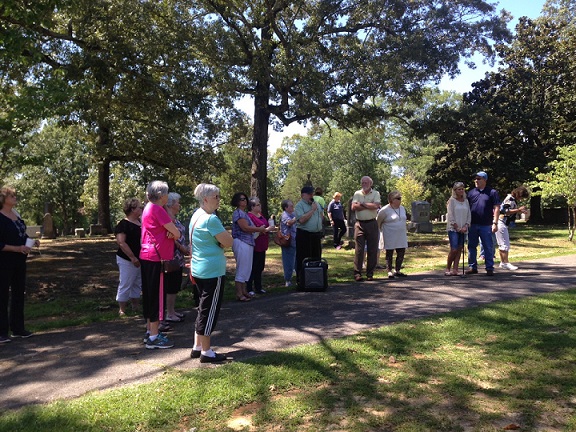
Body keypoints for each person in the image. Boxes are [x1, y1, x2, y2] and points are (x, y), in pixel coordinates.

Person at [188, 183, 234, 363]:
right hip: (212, 271)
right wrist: (221, 241)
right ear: (205, 199)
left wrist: (220, 241)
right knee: (209, 311)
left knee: (202, 307)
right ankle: (206, 352)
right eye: (216, 197)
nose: (219, 200)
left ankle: (197, 346)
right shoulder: (211, 219)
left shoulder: (196, 215)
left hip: (198, 268)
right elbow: (228, 241)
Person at [139, 181, 181, 349]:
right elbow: (176, 232)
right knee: (156, 296)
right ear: (162, 196)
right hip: (156, 256)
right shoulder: (158, 209)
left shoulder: (148, 208)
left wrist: (169, 233)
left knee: (149, 295)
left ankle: (150, 331)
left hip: (147, 255)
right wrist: (171, 233)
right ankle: (154, 337)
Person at [0, 186, 39, 343]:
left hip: (19, 260)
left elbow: (21, 234)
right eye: (12, 196)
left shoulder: (16, 215)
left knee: (18, 293)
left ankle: (18, 328)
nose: (15, 198)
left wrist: (31, 242)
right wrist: (17, 248)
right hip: (3, 261)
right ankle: (1, 332)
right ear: (3, 199)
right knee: (2, 295)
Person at [231, 192, 268, 301]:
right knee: (241, 268)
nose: (244, 201)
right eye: (242, 199)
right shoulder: (238, 213)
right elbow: (245, 228)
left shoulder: (244, 213)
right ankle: (239, 293)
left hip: (248, 242)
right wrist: (259, 229)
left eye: (245, 199)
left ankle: (244, 290)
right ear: (237, 201)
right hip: (241, 241)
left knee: (247, 268)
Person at [466, 171, 501, 276]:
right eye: (475, 179)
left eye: (479, 179)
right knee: (471, 246)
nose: (476, 180)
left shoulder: (492, 192)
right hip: (472, 224)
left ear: (485, 180)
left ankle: (489, 268)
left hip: (486, 224)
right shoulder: (471, 193)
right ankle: (472, 267)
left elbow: (497, 207)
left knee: (488, 246)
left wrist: (495, 222)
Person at [114, 198, 143, 317]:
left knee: (137, 283)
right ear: (132, 209)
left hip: (141, 258)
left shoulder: (141, 222)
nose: (141, 209)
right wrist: (132, 257)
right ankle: (122, 309)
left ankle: (135, 306)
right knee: (126, 282)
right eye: (139, 207)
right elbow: (121, 242)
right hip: (127, 259)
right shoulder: (123, 225)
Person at [163, 192, 188, 322]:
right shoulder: (167, 218)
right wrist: (181, 247)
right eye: (178, 202)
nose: (179, 205)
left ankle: (172, 311)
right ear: (171, 204)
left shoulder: (174, 218)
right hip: (171, 256)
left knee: (174, 286)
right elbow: (169, 236)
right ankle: (169, 313)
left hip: (178, 258)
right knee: (170, 286)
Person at [352, 176, 381, 282]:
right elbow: (354, 207)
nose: (364, 184)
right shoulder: (357, 193)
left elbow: (376, 206)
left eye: (366, 182)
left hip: (372, 223)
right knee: (359, 250)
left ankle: (370, 273)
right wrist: (369, 205)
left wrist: (362, 204)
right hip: (359, 224)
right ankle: (357, 273)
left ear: (370, 183)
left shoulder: (376, 193)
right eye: (362, 182)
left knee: (372, 249)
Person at [294, 186, 324, 288]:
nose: (312, 196)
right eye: (309, 194)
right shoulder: (299, 206)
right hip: (304, 235)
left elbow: (320, 215)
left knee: (316, 257)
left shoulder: (316, 203)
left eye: (312, 194)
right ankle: (302, 281)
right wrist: (312, 210)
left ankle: (316, 280)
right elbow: (301, 220)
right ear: (303, 195)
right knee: (304, 258)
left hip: (316, 235)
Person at [496, 186, 530, 270]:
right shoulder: (510, 199)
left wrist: (519, 210)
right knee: (504, 243)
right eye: (521, 197)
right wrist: (518, 210)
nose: (521, 199)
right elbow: (505, 211)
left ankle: (503, 262)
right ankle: (505, 262)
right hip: (501, 222)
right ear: (518, 194)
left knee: (503, 243)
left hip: (503, 223)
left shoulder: (512, 199)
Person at [246, 197, 275, 294]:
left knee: (260, 267)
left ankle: (258, 287)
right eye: (258, 205)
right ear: (252, 207)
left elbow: (265, 226)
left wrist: (268, 228)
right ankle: (249, 288)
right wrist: (265, 230)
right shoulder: (249, 216)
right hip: (254, 245)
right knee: (253, 267)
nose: (260, 206)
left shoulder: (260, 215)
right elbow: (253, 230)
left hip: (263, 244)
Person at [377, 191, 409, 279]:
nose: (400, 200)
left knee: (401, 251)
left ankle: (397, 270)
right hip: (389, 234)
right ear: (392, 200)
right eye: (398, 198)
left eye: (400, 198)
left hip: (401, 235)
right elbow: (378, 222)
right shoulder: (384, 210)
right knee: (389, 253)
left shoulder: (402, 208)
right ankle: (389, 271)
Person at [445, 182, 471, 276]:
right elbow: (450, 215)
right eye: (458, 189)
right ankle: (448, 268)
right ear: (455, 190)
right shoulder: (452, 201)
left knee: (460, 248)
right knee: (454, 249)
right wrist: (456, 227)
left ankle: (455, 269)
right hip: (453, 228)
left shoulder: (466, 201)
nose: (461, 190)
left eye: (462, 189)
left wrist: (466, 225)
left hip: (463, 228)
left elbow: (469, 215)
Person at [280, 199, 297, 287]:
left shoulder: (293, 214)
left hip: (295, 240)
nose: (292, 207)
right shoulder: (284, 215)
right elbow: (289, 223)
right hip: (288, 242)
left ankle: (298, 277)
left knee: (296, 260)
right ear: (286, 208)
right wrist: (297, 217)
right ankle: (288, 279)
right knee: (288, 261)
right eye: (290, 206)